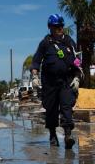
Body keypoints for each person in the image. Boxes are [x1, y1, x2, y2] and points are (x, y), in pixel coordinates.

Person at [30, 14, 81, 148]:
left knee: (66, 108)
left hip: (66, 81)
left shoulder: (69, 42)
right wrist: (35, 76)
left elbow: (77, 61)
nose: (59, 29)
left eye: (61, 26)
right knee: (51, 110)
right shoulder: (45, 43)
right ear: (50, 27)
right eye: (56, 26)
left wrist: (77, 77)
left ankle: (68, 135)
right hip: (50, 83)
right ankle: (53, 135)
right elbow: (36, 61)